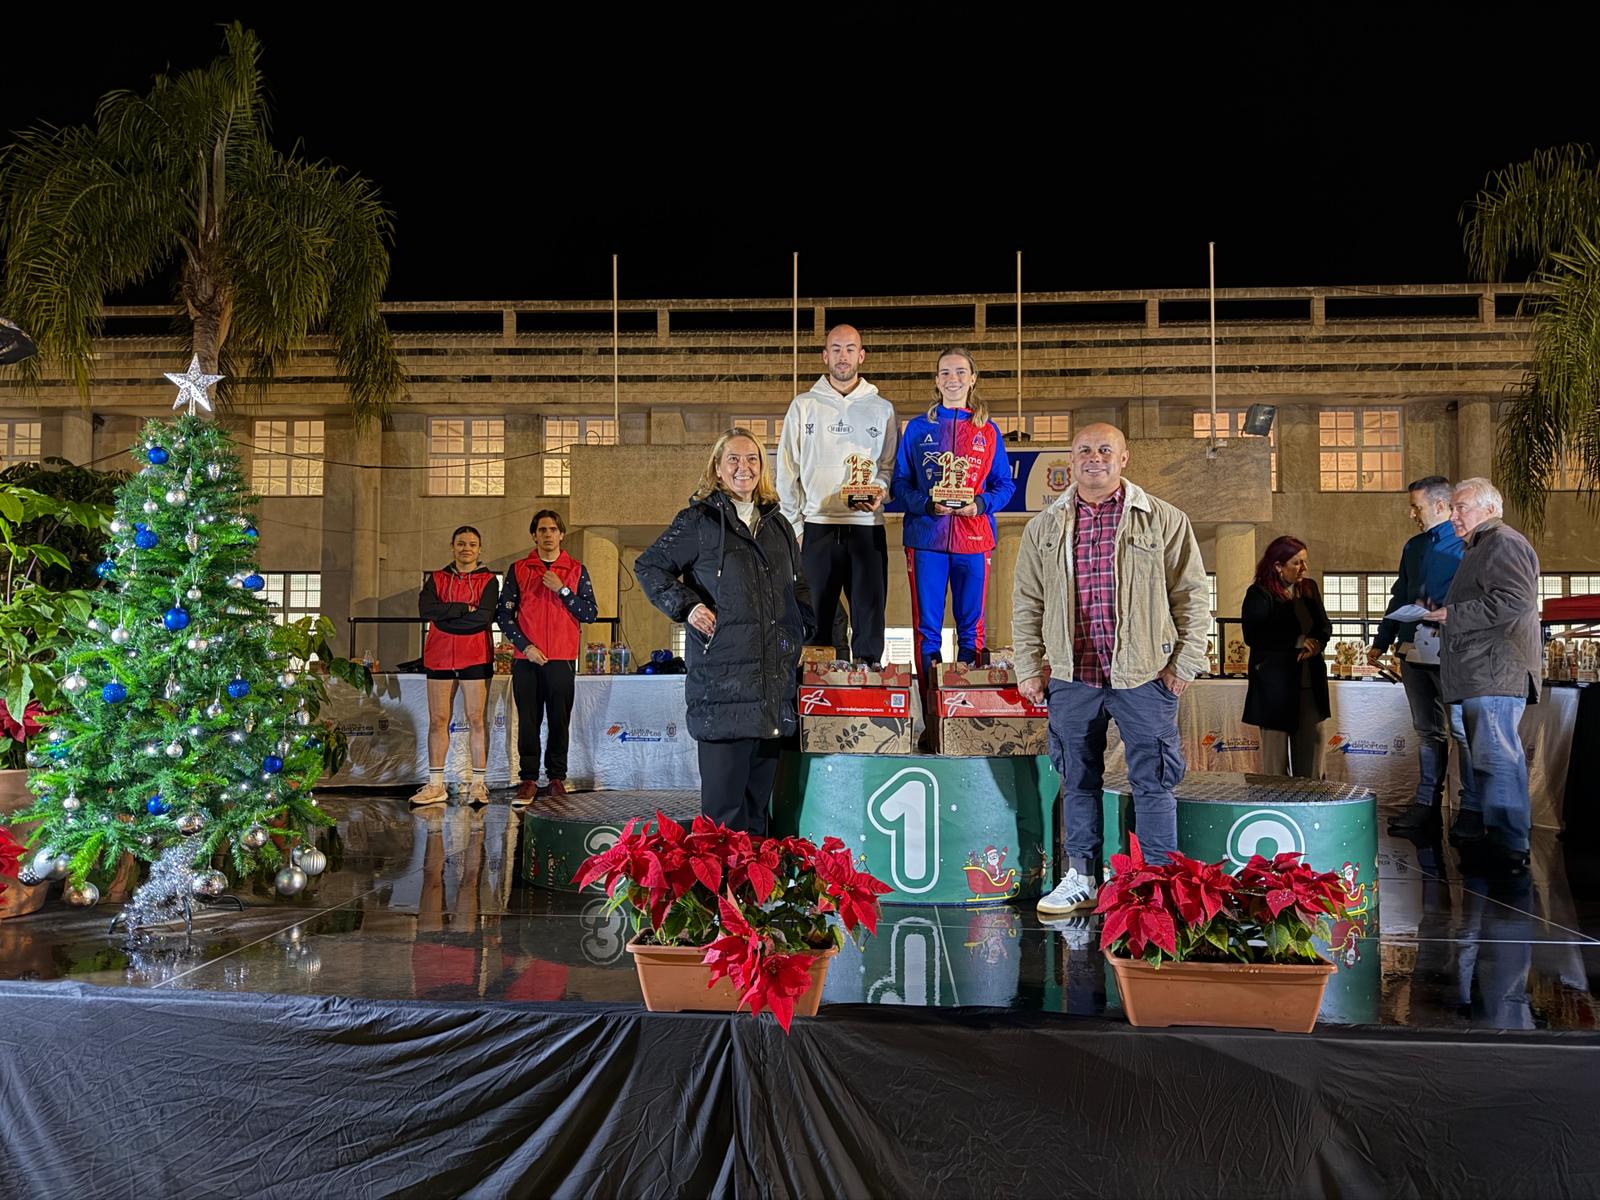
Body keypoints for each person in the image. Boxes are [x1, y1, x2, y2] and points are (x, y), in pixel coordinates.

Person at [1013, 424, 1210, 915]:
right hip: (1072, 675)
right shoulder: (1044, 527)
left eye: (1105, 450)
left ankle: (1156, 883)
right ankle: (1081, 877)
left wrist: (1184, 662)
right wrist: (1028, 667)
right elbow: (1027, 603)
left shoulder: (1163, 519)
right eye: (1084, 450)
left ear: (1124, 458)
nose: (1094, 458)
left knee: (1154, 781)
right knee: (1077, 780)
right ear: (1071, 461)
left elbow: (1192, 595)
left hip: (1144, 675)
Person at [636, 428, 814, 834]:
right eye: (732, 459)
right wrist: (689, 606)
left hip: (772, 697)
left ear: (762, 468)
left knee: (757, 819)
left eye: (751, 459)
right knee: (723, 823)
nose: (743, 467)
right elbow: (650, 567)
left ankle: (750, 896)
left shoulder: (778, 526)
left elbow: (799, 586)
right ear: (717, 468)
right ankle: (719, 897)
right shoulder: (698, 522)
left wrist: (798, 630)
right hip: (723, 696)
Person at [1424, 478, 1541, 871]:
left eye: (1462, 507)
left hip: (1494, 672)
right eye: (1453, 508)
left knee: (1496, 760)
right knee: (1490, 759)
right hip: (1482, 673)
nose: (1453, 515)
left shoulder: (1502, 542)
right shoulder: (1480, 546)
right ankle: (1503, 841)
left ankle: (1509, 848)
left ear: (1490, 509)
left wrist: (1450, 614)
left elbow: (1513, 600)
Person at [891, 347, 1015, 680]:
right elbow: (900, 484)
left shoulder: (988, 432)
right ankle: (933, 717)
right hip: (926, 539)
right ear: (936, 380)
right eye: (945, 372)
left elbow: (1005, 485)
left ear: (973, 378)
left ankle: (964, 711)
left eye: (960, 372)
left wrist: (980, 505)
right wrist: (927, 505)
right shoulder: (918, 429)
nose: (953, 379)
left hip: (974, 540)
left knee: (971, 628)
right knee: (927, 630)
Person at [776, 324, 897, 665]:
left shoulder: (882, 409)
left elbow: (887, 467)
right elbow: (787, 470)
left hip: (866, 526)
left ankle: (869, 689)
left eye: (850, 348)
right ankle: (817, 700)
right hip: (817, 527)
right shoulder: (803, 406)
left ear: (861, 355)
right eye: (836, 348)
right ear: (825, 355)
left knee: (869, 616)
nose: (843, 356)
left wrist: (881, 491)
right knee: (817, 621)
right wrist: (796, 527)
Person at [1368, 475, 1477, 838]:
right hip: (1412, 649)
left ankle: (1472, 808)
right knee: (1428, 731)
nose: (1412, 513)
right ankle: (1426, 803)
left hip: (1453, 651)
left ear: (1441, 506)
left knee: (1462, 731)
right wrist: (1381, 641)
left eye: (1417, 507)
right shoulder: (1413, 547)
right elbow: (1400, 593)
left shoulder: (1467, 546)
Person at [497, 510, 599, 804]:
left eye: (553, 529)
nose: (547, 534)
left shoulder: (576, 569)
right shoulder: (518, 569)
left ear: (561, 535)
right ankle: (528, 779)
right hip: (526, 658)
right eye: (542, 530)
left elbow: (590, 613)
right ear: (534, 535)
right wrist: (526, 646)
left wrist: (563, 589)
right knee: (528, 722)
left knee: (558, 721)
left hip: (562, 659)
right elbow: (504, 615)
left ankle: (556, 778)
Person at [412, 526, 499, 807]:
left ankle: (478, 784)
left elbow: (484, 619)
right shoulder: (436, 579)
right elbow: (427, 612)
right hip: (439, 655)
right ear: (452, 546)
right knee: (438, 720)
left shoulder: (488, 580)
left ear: (479, 549)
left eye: (472, 544)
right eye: (461, 543)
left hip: (475, 655)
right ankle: (436, 785)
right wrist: (463, 609)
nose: (466, 549)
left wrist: (446, 616)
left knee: (476, 720)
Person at [1241, 536, 1333, 778]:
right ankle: (1277, 812)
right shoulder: (1259, 594)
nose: (1303, 569)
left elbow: (1324, 627)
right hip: (1275, 691)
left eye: (1304, 562)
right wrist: (1297, 642)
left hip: (1309, 686)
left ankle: (1315, 808)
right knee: (1276, 767)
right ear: (1278, 566)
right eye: (1296, 563)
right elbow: (1255, 635)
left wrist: (1317, 644)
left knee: (1312, 764)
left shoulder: (1309, 588)